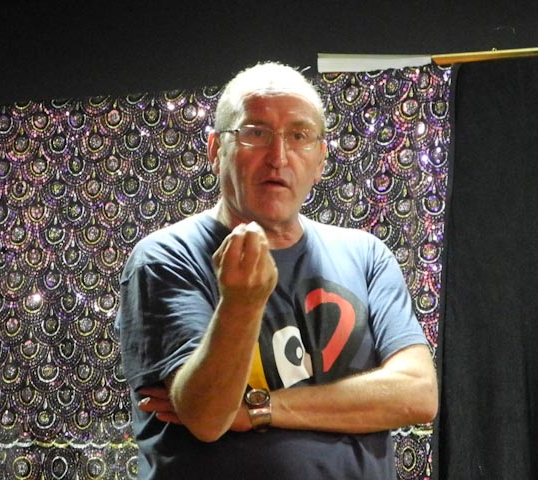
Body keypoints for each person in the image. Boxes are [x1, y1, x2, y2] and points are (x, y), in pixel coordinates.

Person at [116, 61, 438, 479]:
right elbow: (208, 417)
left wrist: (259, 408)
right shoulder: (167, 257)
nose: (278, 156)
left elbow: (417, 394)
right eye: (256, 133)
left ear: (320, 160)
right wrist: (241, 304)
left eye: (299, 136)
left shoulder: (366, 255)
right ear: (215, 150)